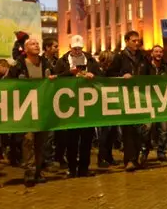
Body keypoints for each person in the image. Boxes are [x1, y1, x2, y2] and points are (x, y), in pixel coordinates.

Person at [53, 35, 101, 178]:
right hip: (70, 104)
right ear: (70, 48)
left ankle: (84, 168)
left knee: (87, 138)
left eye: (80, 48)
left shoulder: (90, 60)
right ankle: (72, 167)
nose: (77, 51)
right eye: (75, 49)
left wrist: (93, 75)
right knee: (71, 139)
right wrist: (69, 73)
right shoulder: (62, 61)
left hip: (87, 103)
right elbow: (57, 78)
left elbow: (101, 75)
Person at [10, 38, 53, 186]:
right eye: (33, 44)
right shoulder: (19, 65)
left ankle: (38, 170)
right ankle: (29, 171)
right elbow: (8, 83)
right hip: (26, 107)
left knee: (41, 141)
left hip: (42, 107)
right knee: (28, 140)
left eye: (37, 44)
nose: (36, 46)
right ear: (25, 49)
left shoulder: (46, 63)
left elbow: (56, 78)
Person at [106, 30, 150, 171]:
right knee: (128, 130)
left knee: (141, 130)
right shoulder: (120, 57)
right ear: (126, 41)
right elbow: (109, 74)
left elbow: (150, 74)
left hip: (140, 97)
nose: (137, 43)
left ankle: (137, 158)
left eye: (138, 41)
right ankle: (129, 160)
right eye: (133, 40)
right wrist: (121, 75)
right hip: (125, 97)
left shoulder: (143, 57)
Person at [147, 45, 167, 162]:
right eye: (156, 51)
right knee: (147, 128)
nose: (158, 54)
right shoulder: (146, 67)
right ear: (152, 53)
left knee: (164, 129)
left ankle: (161, 152)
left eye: (160, 52)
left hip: (162, 102)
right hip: (148, 101)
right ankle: (145, 151)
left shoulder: (166, 67)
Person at [96, 50, 119, 168]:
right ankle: (102, 157)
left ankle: (109, 156)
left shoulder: (112, 71)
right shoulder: (98, 71)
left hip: (112, 103)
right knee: (104, 133)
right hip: (102, 105)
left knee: (112, 133)